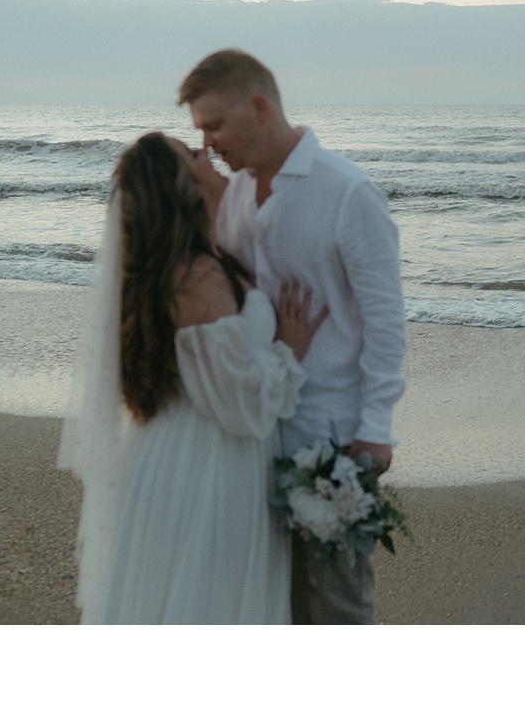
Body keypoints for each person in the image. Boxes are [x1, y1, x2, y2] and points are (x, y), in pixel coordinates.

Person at [58, 131, 328, 624]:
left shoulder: (188, 266)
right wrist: (289, 349)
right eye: (195, 155)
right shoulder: (196, 278)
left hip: (178, 453)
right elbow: (238, 404)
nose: (209, 154)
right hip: (208, 466)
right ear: (180, 184)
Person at [179, 49, 407, 625]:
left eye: (214, 124)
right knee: (273, 604)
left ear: (259, 107)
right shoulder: (233, 196)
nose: (207, 143)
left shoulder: (347, 193)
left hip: (329, 431)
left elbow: (385, 320)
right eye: (199, 132)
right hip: (254, 431)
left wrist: (376, 428)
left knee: (337, 605)